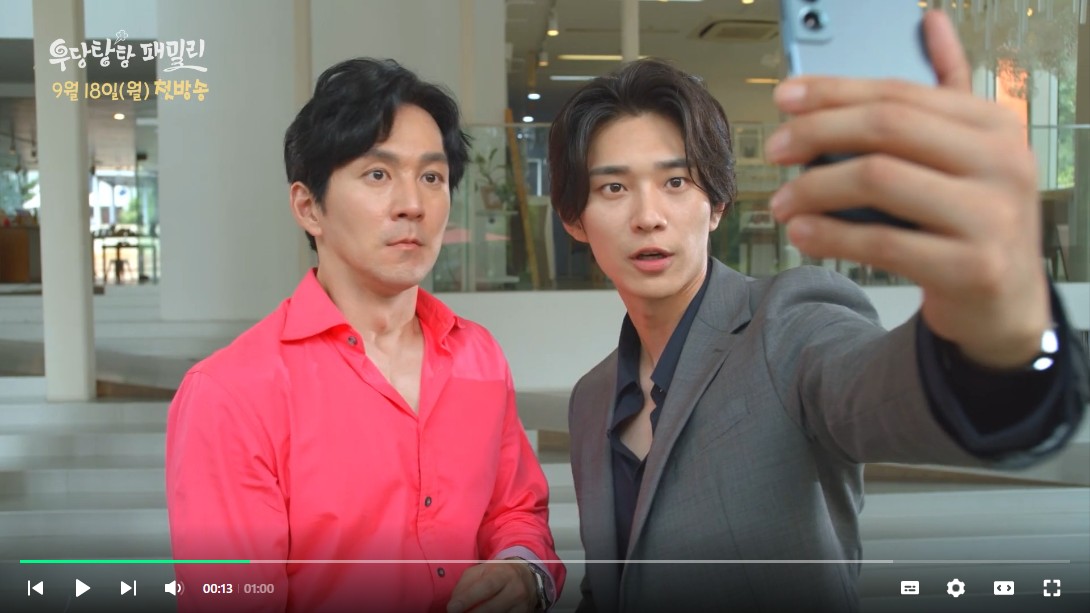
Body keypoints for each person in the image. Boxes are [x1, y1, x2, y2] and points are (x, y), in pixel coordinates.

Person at [548, 12, 1088, 613]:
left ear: (717, 204)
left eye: (676, 183)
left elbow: (888, 392)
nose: (648, 216)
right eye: (614, 188)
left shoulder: (787, 325)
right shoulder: (593, 398)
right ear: (575, 219)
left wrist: (999, 333)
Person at [166, 58, 564, 613]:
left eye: (432, 177)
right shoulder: (231, 394)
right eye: (378, 174)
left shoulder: (478, 356)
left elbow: (517, 511)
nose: (413, 205)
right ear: (309, 207)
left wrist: (523, 571)